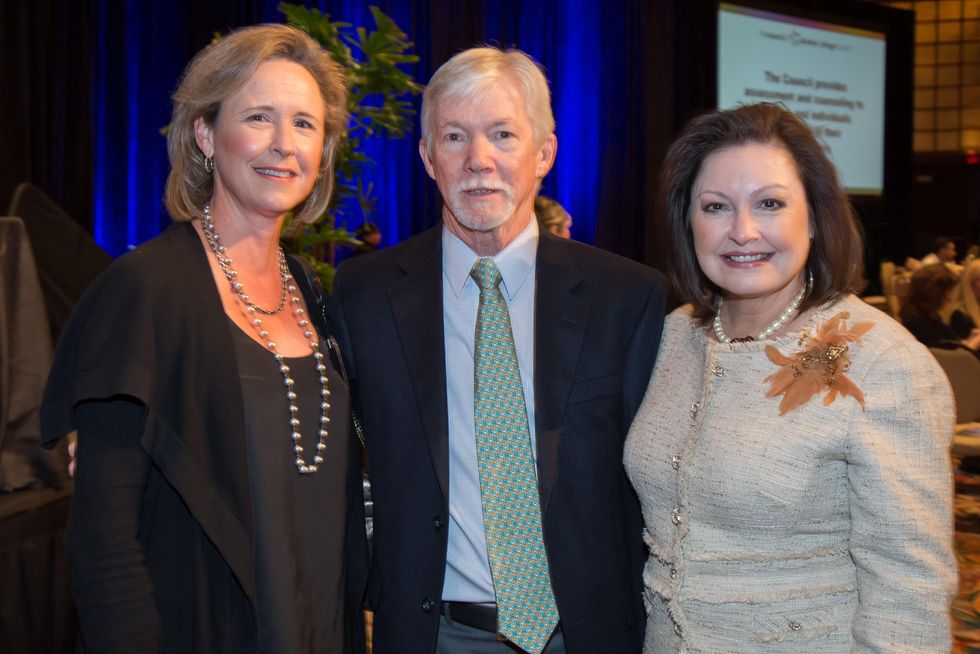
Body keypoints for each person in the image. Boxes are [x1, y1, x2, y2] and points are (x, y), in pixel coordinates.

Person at [329, 47, 666, 653]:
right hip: (435, 634)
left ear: (544, 154)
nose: (478, 160)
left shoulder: (626, 298)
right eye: (454, 137)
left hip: (588, 633)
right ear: (428, 158)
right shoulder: (364, 296)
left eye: (503, 135)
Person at [40, 25, 366, 653]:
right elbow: (103, 539)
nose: (283, 143)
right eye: (259, 117)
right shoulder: (144, 291)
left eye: (304, 124)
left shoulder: (312, 294)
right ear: (206, 135)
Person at [624, 103, 956, 652]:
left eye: (770, 203)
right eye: (715, 207)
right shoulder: (671, 336)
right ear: (688, 222)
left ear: (816, 218)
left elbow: (909, 587)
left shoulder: (882, 363)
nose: (742, 231)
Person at [903, 263, 980, 353]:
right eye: (945, 293)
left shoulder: (932, 316)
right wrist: (975, 342)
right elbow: (947, 356)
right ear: (932, 294)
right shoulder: (916, 323)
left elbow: (951, 344)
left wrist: (969, 340)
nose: (949, 298)